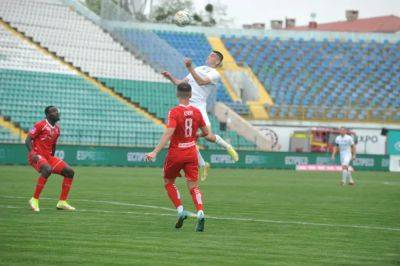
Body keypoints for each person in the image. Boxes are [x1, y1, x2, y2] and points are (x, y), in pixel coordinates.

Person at [161, 51, 239, 180]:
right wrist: (170, 77)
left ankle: (228, 147)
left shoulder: (214, 73)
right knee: (187, 139)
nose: (210, 56)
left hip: (199, 107)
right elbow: (181, 84)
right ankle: (203, 164)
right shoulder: (197, 68)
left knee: (207, 135)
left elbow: (201, 82)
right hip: (186, 105)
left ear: (218, 62)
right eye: (210, 54)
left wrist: (189, 67)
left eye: (213, 55)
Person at [145, 83, 209, 232]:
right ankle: (200, 212)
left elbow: (168, 133)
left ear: (177, 95)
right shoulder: (197, 112)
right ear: (191, 95)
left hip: (176, 152)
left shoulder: (174, 112)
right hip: (191, 152)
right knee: (193, 186)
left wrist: (155, 152)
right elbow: (206, 132)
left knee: (168, 181)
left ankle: (181, 210)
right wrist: (195, 136)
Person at [26, 106, 75, 212]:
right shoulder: (40, 125)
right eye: (54, 111)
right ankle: (34, 200)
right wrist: (32, 153)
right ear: (48, 115)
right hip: (36, 155)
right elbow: (28, 139)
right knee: (47, 170)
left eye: (57, 111)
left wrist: (52, 157)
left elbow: (53, 145)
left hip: (48, 157)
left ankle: (62, 202)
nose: (57, 113)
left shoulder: (57, 129)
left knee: (70, 172)